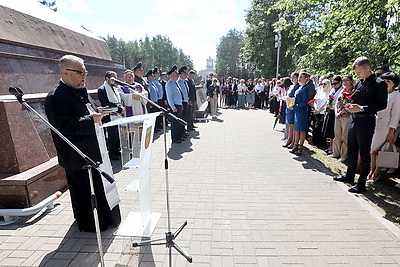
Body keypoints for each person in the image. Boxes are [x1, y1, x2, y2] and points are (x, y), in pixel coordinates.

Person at [45, 55, 121, 232]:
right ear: (65, 72)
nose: (84, 75)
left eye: (85, 71)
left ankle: (107, 218)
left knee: (99, 188)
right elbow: (63, 126)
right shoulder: (55, 97)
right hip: (77, 156)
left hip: (93, 151)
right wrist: (90, 119)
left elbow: (86, 110)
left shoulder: (80, 90)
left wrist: (97, 111)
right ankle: (90, 224)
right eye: (80, 72)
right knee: (84, 193)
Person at [334, 56, 387, 193]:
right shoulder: (359, 83)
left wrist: (362, 108)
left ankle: (361, 183)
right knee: (351, 149)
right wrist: (350, 106)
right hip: (354, 119)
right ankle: (349, 175)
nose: (357, 75)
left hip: (366, 120)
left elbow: (382, 104)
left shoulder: (379, 83)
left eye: (359, 72)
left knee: (364, 153)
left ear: (367, 68)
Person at [368, 72, 400, 182]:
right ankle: (372, 171)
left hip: (386, 126)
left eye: (388, 81)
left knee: (378, 149)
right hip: (375, 123)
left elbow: (396, 114)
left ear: (394, 83)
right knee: (373, 150)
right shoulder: (380, 93)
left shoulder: (396, 95)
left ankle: (376, 172)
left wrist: (392, 130)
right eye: (384, 81)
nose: (385, 83)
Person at [97, 71, 124, 161]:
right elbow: (105, 103)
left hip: (117, 115)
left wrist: (120, 106)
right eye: (113, 79)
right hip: (109, 116)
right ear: (107, 79)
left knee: (117, 134)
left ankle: (117, 151)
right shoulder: (102, 89)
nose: (115, 81)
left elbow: (118, 100)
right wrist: (117, 107)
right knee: (112, 135)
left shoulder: (115, 88)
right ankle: (112, 153)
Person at [332, 74, 355, 162]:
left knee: (345, 136)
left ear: (351, 81)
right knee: (337, 134)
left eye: (347, 80)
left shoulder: (353, 91)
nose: (345, 82)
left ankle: (344, 155)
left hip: (346, 115)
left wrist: (342, 112)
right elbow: (336, 103)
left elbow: (350, 105)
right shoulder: (342, 91)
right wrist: (336, 112)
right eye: (344, 81)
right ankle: (335, 152)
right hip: (338, 115)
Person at [290, 71, 310, 156]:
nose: (299, 78)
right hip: (297, 111)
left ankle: (300, 147)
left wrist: (295, 106)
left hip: (302, 111)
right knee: (297, 129)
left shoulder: (306, 88)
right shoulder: (299, 88)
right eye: (299, 77)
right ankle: (295, 146)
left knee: (301, 130)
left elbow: (304, 102)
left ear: (306, 79)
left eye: (301, 77)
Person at [165, 65, 184, 143]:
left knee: (178, 123)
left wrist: (181, 104)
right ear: (172, 75)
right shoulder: (169, 84)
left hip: (178, 105)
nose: (177, 76)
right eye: (176, 74)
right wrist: (172, 107)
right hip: (174, 106)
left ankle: (178, 137)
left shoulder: (175, 83)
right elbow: (169, 97)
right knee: (174, 123)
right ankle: (175, 139)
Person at [311, 77, 331, 147]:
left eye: (324, 84)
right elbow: (315, 100)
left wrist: (320, 110)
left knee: (321, 128)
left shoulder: (329, 93)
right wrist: (316, 108)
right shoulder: (320, 91)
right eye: (322, 84)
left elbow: (327, 103)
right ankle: (315, 141)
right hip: (317, 111)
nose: (323, 85)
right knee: (315, 126)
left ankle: (321, 142)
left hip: (323, 112)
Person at [283, 72, 300, 148]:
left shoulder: (298, 86)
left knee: (293, 125)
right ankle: (289, 139)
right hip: (288, 105)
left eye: (294, 77)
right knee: (290, 124)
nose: (292, 79)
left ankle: (293, 141)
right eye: (291, 77)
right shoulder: (291, 86)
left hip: (293, 106)